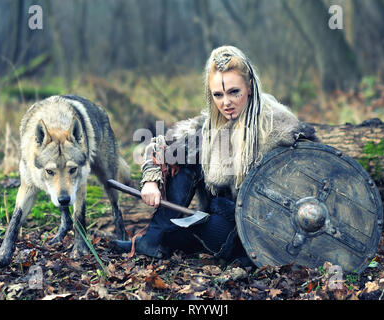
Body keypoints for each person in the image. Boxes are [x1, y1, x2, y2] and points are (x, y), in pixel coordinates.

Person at [112, 45, 318, 266]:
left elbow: (311, 172)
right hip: (219, 215)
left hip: (258, 227)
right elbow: (161, 145)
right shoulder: (211, 125)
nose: (226, 103)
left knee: (182, 235)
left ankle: (164, 239)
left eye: (233, 92)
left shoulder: (276, 125)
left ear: (249, 87)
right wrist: (151, 181)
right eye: (218, 95)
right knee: (184, 157)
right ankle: (152, 240)